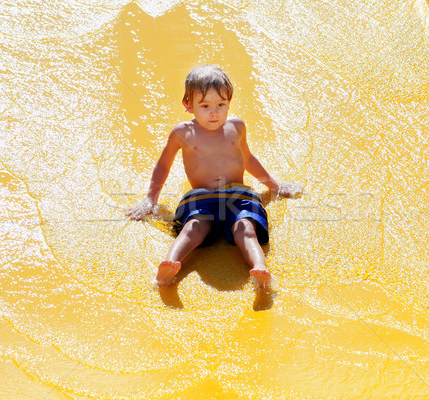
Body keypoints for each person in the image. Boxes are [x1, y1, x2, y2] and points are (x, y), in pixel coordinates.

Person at [126, 65, 301, 288]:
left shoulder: (236, 127)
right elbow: (163, 165)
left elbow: (247, 158)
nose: (214, 112)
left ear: (229, 102)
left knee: (245, 228)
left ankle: (260, 268)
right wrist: (150, 200)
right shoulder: (183, 132)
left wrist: (273, 185)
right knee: (194, 228)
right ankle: (169, 264)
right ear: (188, 105)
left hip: (238, 194)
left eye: (221, 104)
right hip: (202, 197)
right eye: (205, 105)